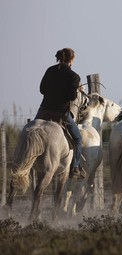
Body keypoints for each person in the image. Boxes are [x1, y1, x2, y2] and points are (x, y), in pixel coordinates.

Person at [35, 48, 85, 179]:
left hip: (43, 111)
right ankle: (74, 168)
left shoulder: (50, 70)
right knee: (78, 139)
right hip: (60, 113)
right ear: (71, 60)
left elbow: (42, 89)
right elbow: (72, 97)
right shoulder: (74, 76)